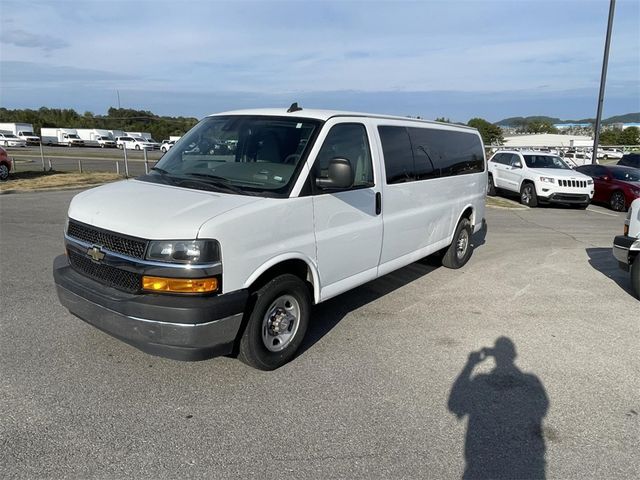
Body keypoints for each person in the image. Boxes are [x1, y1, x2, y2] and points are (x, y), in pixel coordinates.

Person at [448, 337, 549, 479]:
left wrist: (470, 364)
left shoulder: (480, 380)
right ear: (514, 355)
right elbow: (542, 408)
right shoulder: (532, 380)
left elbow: (455, 405)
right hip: (530, 465)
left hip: (479, 464)